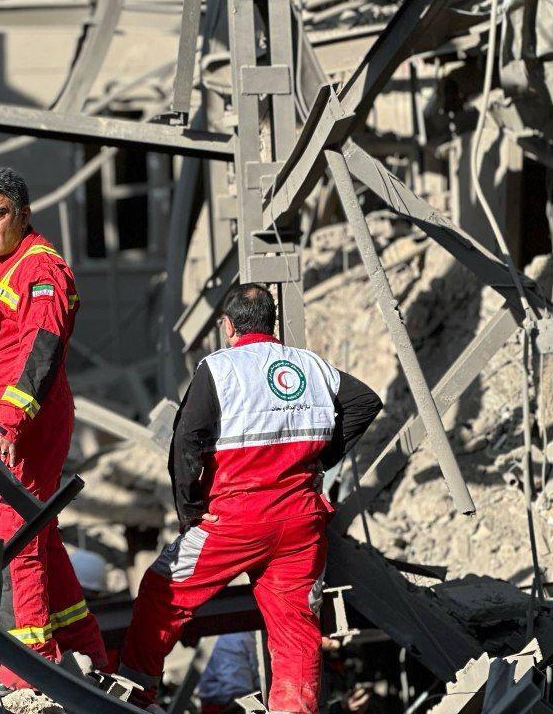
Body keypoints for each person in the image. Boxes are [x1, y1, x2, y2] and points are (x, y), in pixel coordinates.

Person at [118, 284, 383, 714]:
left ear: (227, 326)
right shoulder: (311, 365)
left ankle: (135, 692)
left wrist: (189, 512)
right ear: (272, 322)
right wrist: (322, 456)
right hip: (300, 523)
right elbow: (365, 402)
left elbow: (187, 441)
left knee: (161, 592)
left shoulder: (218, 368)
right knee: (296, 632)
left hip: (235, 518)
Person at [0, 166, 108, 686]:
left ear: (23, 214)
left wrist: (6, 420)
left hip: (23, 426)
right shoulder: (1, 262)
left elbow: (41, 351)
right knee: (36, 534)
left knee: (12, 536)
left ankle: (29, 669)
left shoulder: (39, 271)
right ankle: (87, 648)